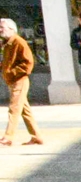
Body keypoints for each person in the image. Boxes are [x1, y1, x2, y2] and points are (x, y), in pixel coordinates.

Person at [0, 19, 41, 147]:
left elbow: (28, 63)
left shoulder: (19, 42)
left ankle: (8, 137)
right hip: (12, 80)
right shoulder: (7, 44)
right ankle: (37, 137)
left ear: (12, 29)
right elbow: (9, 62)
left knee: (14, 108)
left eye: (2, 28)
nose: (0, 30)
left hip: (19, 80)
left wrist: (11, 72)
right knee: (25, 110)